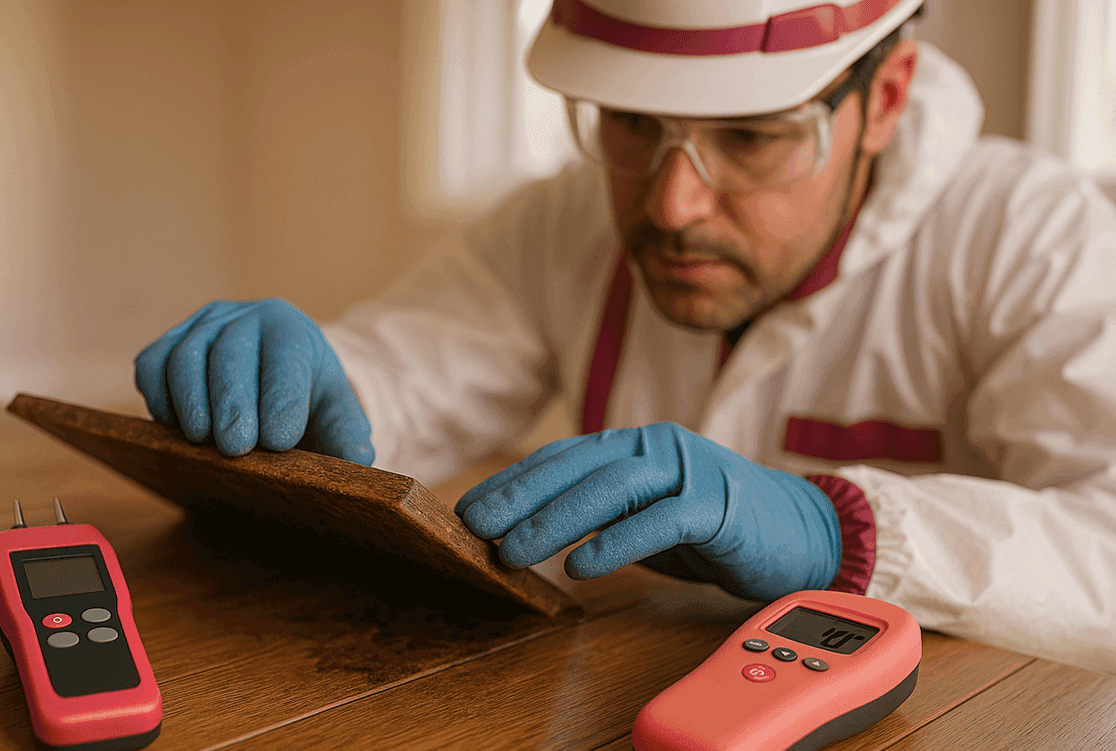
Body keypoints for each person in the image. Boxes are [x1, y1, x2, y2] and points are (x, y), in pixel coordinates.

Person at [134, 0, 1116, 675]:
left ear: (886, 99)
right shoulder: (564, 220)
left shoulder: (1032, 236)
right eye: (633, 123)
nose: (673, 200)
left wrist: (842, 531)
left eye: (753, 135)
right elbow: (402, 381)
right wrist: (303, 392)